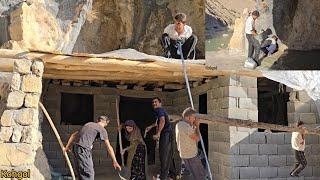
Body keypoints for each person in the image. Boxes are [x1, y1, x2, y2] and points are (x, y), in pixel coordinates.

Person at [64, 115, 121, 180]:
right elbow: (109, 147)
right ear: (106, 122)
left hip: (75, 148)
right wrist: (115, 161)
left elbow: (73, 135)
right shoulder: (102, 129)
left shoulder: (88, 124)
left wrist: (67, 147)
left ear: (97, 120)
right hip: (83, 149)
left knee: (81, 172)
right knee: (89, 173)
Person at [145, 97, 176, 180]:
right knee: (168, 155)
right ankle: (172, 175)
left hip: (166, 134)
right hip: (167, 134)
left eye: (156, 102)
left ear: (160, 103)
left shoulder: (159, 110)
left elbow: (162, 121)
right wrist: (150, 127)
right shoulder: (158, 111)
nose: (154, 103)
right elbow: (158, 122)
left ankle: (163, 177)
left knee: (164, 155)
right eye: (153, 102)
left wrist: (158, 133)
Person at [175, 107, 206, 180]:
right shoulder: (186, 126)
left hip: (183, 154)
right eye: (193, 117)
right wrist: (197, 126)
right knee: (200, 175)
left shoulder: (178, 125)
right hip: (191, 156)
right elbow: (198, 139)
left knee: (187, 176)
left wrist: (193, 126)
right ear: (188, 117)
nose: (194, 119)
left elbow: (189, 135)